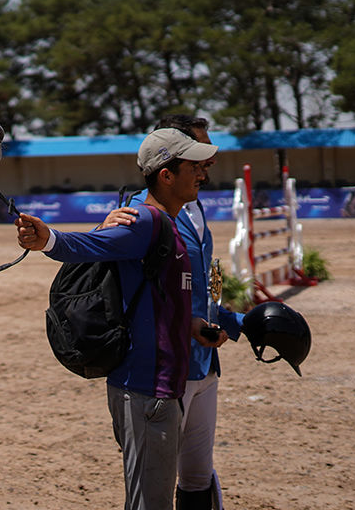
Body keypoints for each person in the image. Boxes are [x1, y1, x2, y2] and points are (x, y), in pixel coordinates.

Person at [16, 128, 224, 510]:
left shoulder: (170, 226)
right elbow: (87, 246)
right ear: (166, 175)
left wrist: (193, 327)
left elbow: (161, 304)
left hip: (162, 389)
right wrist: (47, 239)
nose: (203, 174)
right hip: (146, 391)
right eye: (193, 167)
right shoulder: (145, 222)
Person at [103, 116, 243, 510]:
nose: (208, 163)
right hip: (165, 367)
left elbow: (202, 290)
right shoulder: (140, 212)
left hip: (204, 363)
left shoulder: (196, 210)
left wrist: (239, 323)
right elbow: (104, 249)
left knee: (198, 474)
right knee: (155, 487)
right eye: (199, 155)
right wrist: (98, 228)